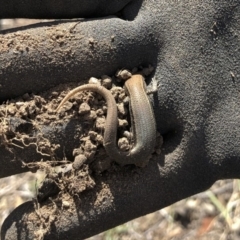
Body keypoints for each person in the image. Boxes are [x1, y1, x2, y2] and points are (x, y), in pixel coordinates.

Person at [0, 1, 240, 239]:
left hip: (138, 146)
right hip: (137, 146)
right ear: (143, 88)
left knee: (130, 136)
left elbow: (145, 95)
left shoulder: (140, 95)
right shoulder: (142, 96)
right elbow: (148, 93)